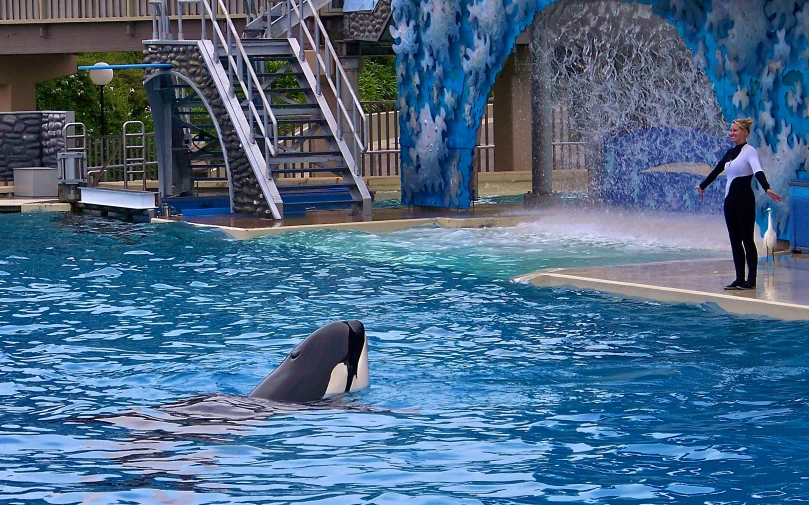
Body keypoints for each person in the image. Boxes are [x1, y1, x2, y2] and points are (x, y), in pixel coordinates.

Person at [695, 118, 782, 290]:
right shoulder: (730, 153)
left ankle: (751, 280)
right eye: (730, 130)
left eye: (735, 130)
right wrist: (702, 186)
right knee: (735, 241)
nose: (731, 133)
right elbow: (716, 171)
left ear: (745, 132)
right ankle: (739, 278)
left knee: (747, 240)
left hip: (745, 202)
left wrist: (767, 189)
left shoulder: (750, 152)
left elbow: (758, 171)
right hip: (730, 202)